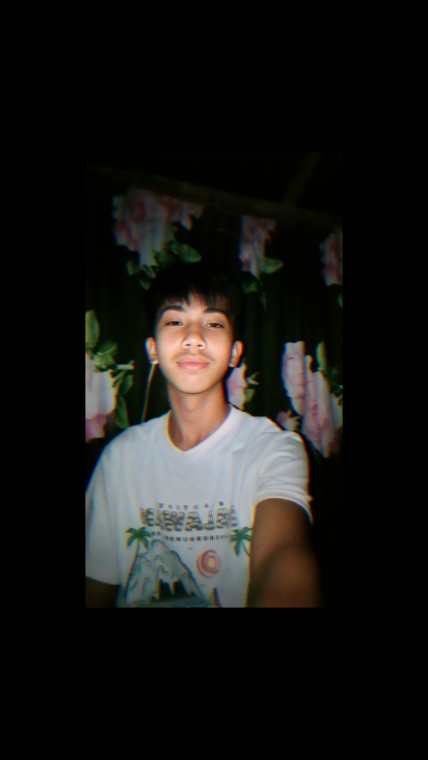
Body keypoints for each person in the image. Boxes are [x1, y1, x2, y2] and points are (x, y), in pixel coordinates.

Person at [85, 262, 321, 607]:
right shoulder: (120, 458)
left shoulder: (275, 449)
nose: (194, 337)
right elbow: (96, 586)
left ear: (234, 353)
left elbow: (283, 555)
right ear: (152, 349)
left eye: (213, 323)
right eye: (175, 321)